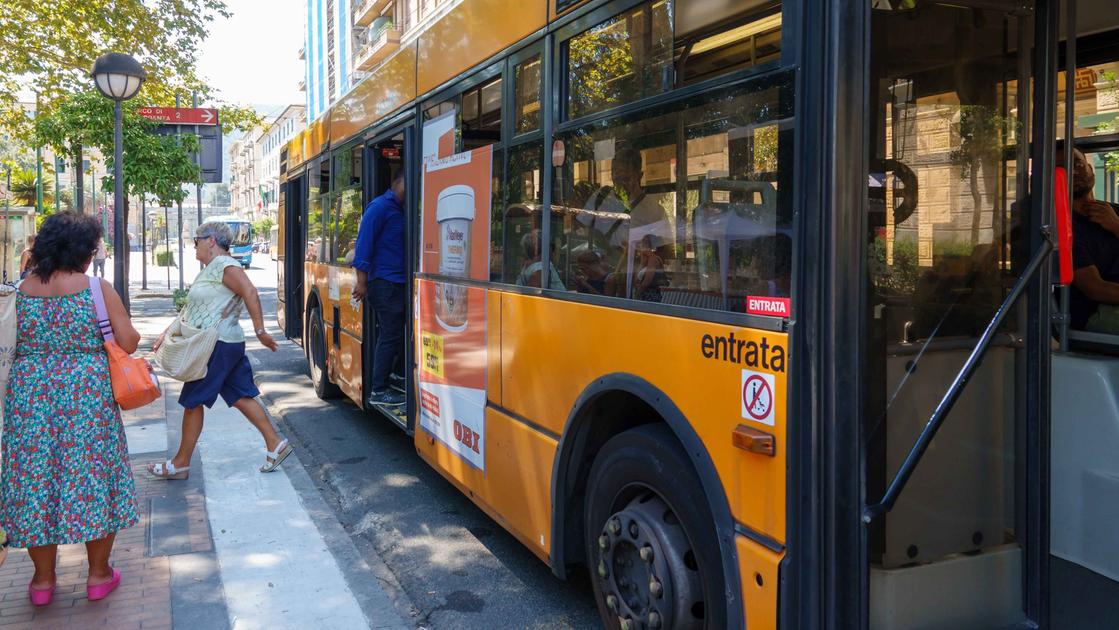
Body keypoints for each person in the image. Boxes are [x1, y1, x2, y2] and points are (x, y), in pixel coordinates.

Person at [1, 212, 141, 605]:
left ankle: (43, 582)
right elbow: (128, 343)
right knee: (93, 479)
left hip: (29, 401)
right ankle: (98, 575)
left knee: (34, 483)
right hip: (87, 401)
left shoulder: (19, 290)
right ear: (84, 250)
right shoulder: (96, 289)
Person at [149, 221, 289, 479]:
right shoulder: (212, 268)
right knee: (240, 394)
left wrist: (261, 331)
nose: (194, 245)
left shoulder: (225, 265)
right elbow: (190, 310)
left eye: (197, 240)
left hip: (216, 344)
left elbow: (249, 291)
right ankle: (275, 443)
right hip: (225, 343)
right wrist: (167, 332)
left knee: (193, 402)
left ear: (211, 241)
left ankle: (180, 463)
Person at [352, 169, 407, 407]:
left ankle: (395, 375)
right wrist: (362, 283)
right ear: (399, 182)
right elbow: (363, 247)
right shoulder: (379, 208)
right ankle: (379, 389)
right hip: (384, 284)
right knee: (390, 334)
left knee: (400, 333)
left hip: (399, 283)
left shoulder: (403, 208)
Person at [1060, 144, 1119, 332]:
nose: (1074, 172)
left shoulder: (1115, 212)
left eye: (1078, 164)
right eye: (1063, 168)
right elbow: (1095, 288)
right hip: (1095, 313)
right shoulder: (1064, 225)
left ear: (1090, 169)